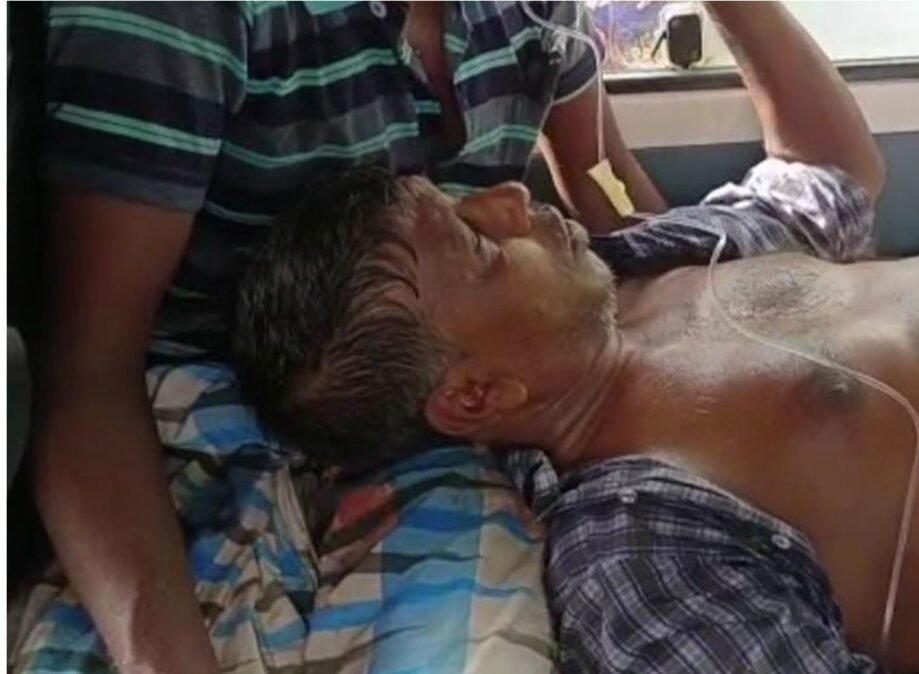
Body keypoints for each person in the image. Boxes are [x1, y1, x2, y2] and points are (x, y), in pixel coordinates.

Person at [233, 3, 919, 673]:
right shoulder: (640, 553)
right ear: (476, 395)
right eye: (480, 244)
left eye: (465, 201)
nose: (510, 197)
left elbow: (835, 172)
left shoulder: (652, 262)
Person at [30, 2, 667, 671]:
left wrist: (706, 279)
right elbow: (88, 373)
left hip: (434, 435)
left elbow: (606, 186)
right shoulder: (182, 18)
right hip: (183, 439)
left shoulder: (536, 14)